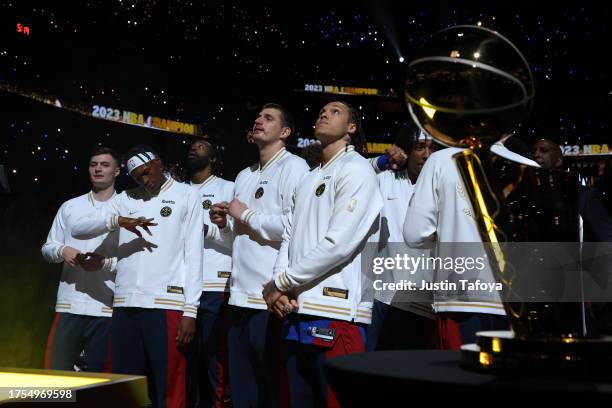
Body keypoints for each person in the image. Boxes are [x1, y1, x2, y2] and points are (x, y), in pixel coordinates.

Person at [263, 100, 383, 408]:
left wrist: (283, 282)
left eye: (335, 112)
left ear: (351, 128)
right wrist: (280, 286)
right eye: (321, 111)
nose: (323, 114)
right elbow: (289, 235)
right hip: (297, 309)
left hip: (338, 311)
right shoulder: (309, 177)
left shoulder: (357, 170)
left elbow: (338, 244)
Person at [72, 145, 204, 408]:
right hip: (124, 304)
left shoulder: (187, 195)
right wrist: (116, 221)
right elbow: (78, 228)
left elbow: (194, 256)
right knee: (125, 385)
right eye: (137, 177)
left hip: (165, 304)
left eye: (146, 172)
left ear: (157, 162)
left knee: (169, 385)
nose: (145, 180)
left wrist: (191, 310)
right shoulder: (126, 199)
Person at [208, 103, 309, 408]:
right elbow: (236, 240)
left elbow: (295, 228)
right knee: (241, 391)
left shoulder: (295, 168)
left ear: (285, 132)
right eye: (258, 116)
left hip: (270, 298)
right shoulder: (244, 174)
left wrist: (247, 214)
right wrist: (224, 224)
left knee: (271, 388)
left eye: (268, 118)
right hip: (238, 297)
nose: (258, 121)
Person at [403, 145, 508, 349]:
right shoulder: (526, 164)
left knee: (460, 377)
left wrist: (445, 231)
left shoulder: (441, 160)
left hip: (462, 297)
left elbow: (414, 233)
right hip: (520, 304)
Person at [41, 146, 120, 372]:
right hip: (69, 304)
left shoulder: (127, 207)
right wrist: (63, 250)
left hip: (106, 307)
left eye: (105, 165)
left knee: (100, 383)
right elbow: (48, 248)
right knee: (57, 376)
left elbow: (135, 263)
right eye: (93, 164)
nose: (98, 169)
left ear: (117, 171)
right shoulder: (70, 206)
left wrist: (105, 263)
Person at [366, 127, 438, 352]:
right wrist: (383, 160)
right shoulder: (387, 180)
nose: (427, 155)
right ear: (406, 151)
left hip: (421, 303)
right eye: (419, 147)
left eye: (432, 149)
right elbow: (350, 173)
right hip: (379, 298)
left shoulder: (445, 190)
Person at [186, 139, 234, 407]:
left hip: (217, 286)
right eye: (191, 146)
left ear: (214, 158)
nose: (194, 148)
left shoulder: (228, 188)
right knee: (186, 362)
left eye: (202, 146)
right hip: (181, 289)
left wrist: (206, 230)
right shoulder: (178, 191)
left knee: (215, 360)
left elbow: (237, 238)